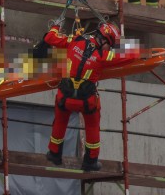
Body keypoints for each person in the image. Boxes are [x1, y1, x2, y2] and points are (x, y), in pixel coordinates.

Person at [40, 21, 134, 171]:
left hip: (65, 97)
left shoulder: (75, 40)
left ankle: (54, 153)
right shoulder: (103, 56)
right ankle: (90, 161)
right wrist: (124, 43)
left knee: (60, 121)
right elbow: (130, 56)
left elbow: (50, 39)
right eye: (109, 44)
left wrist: (55, 26)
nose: (109, 47)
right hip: (86, 101)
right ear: (104, 40)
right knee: (92, 126)